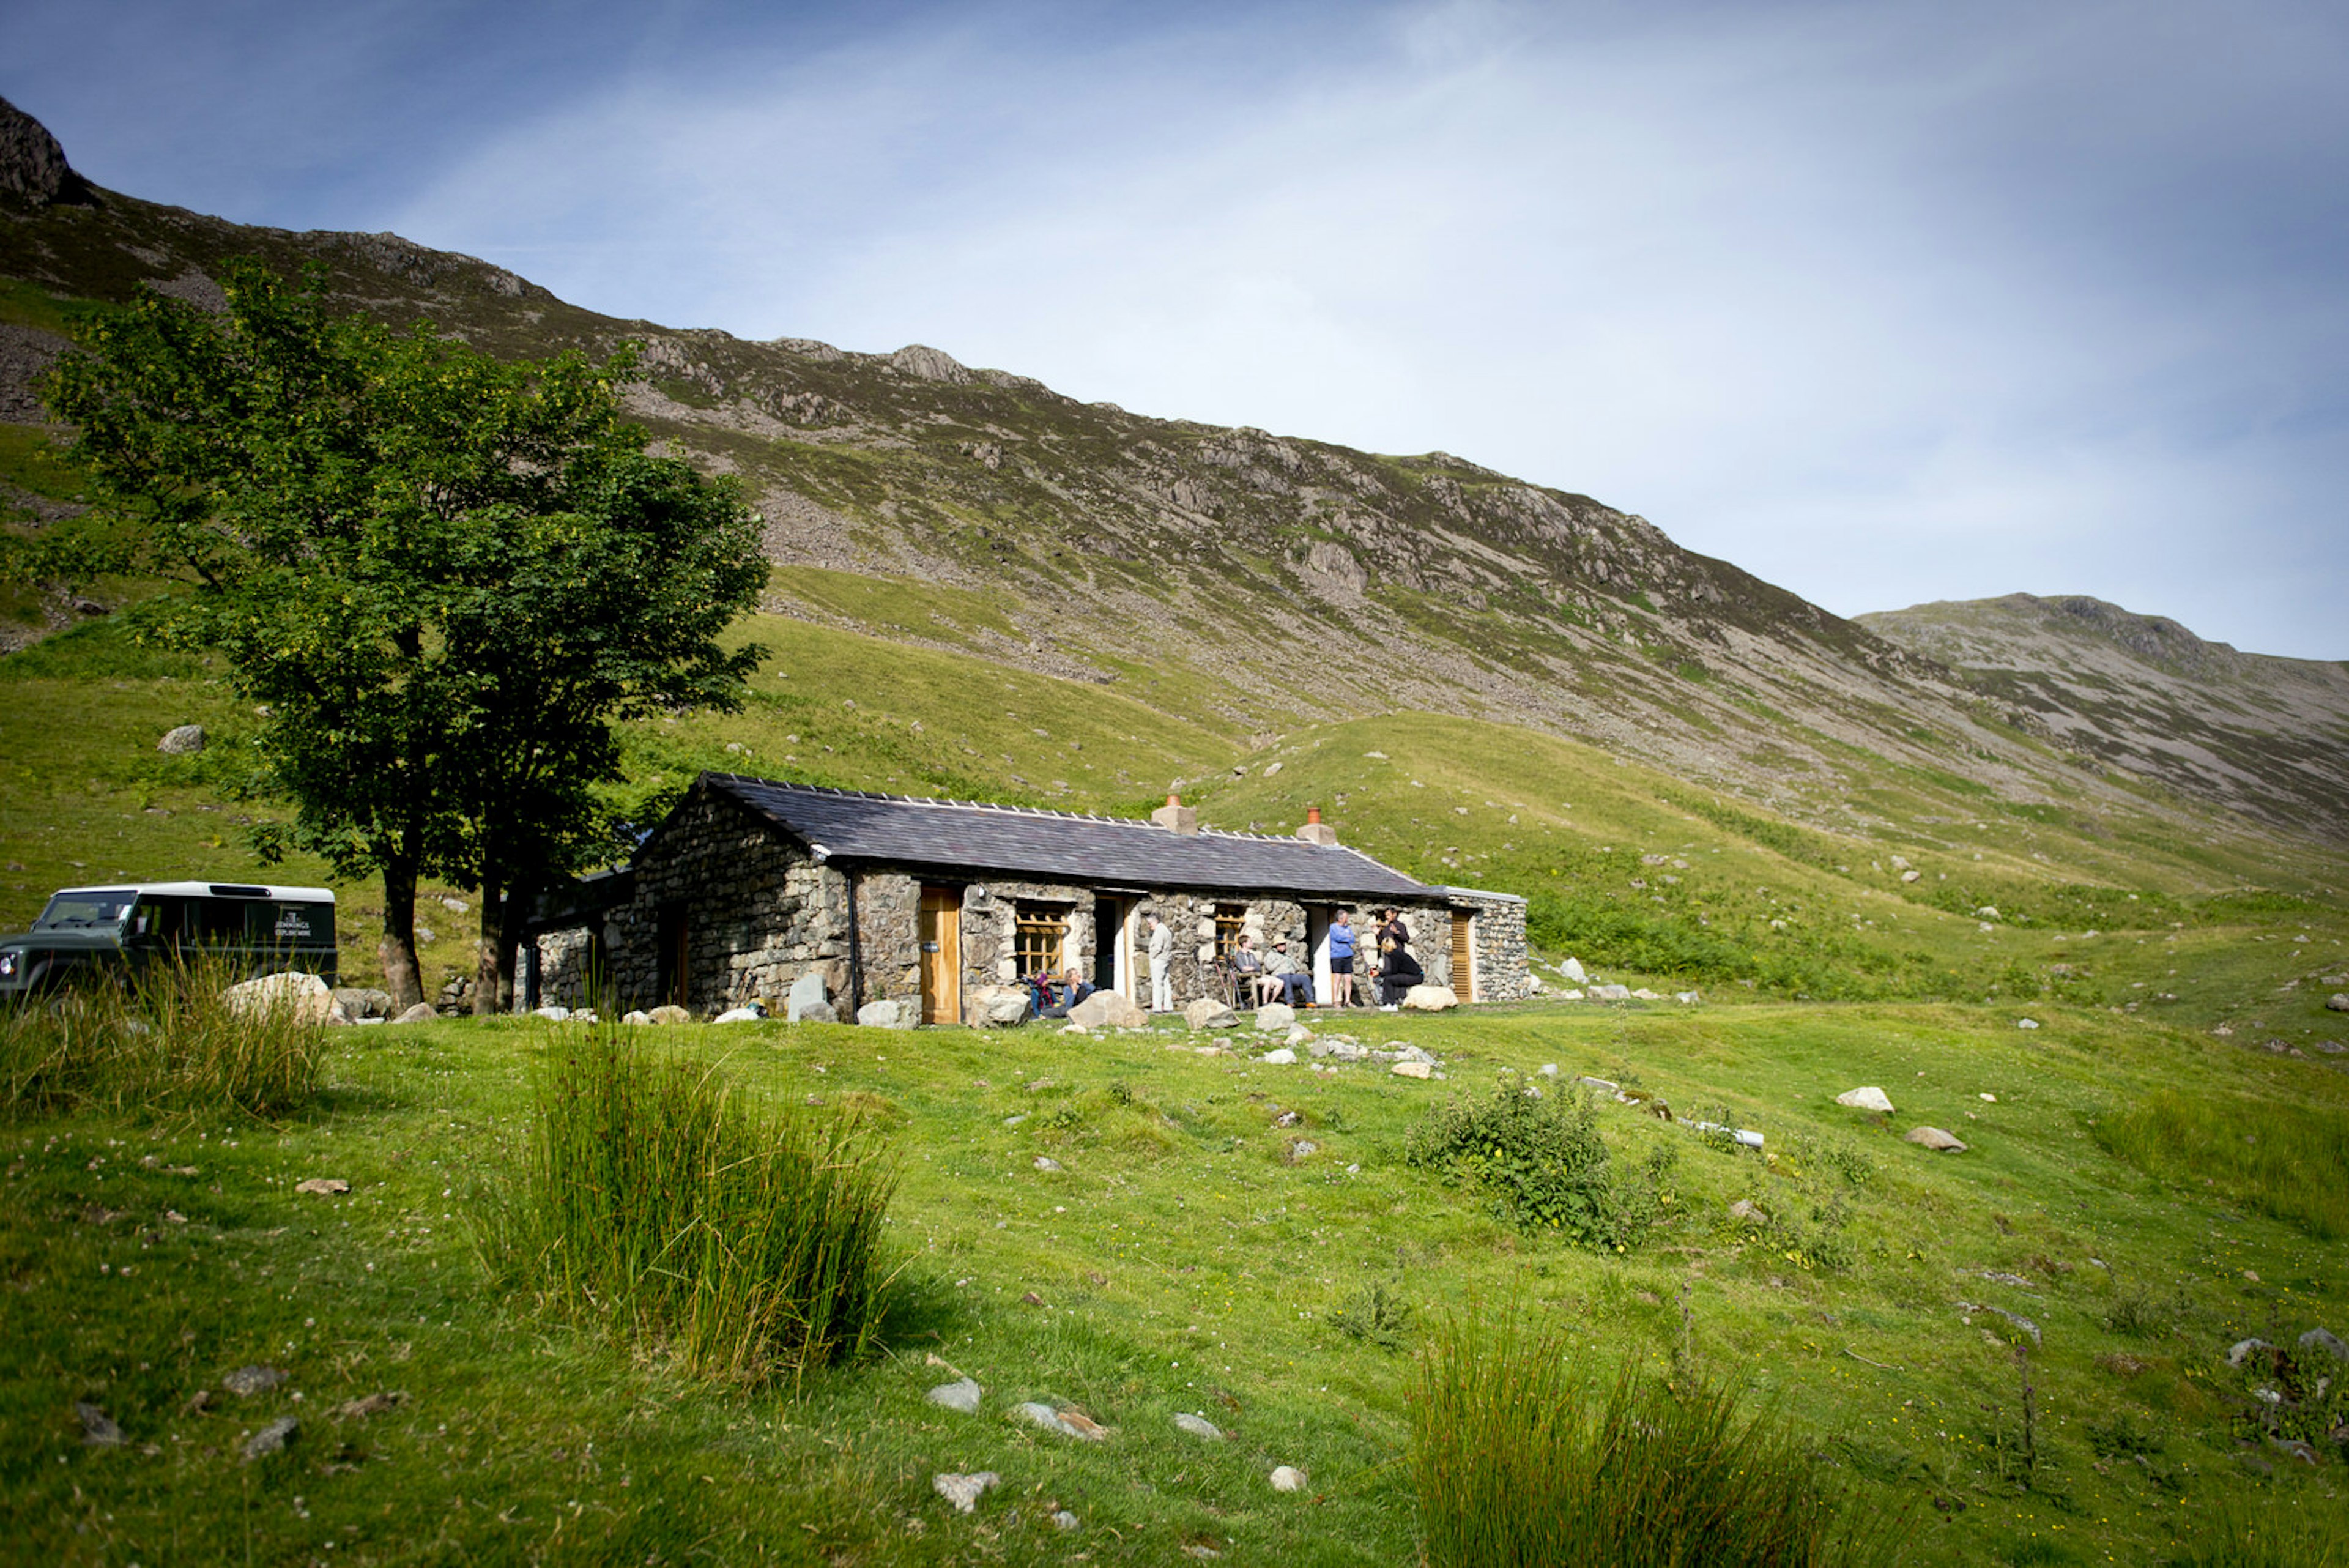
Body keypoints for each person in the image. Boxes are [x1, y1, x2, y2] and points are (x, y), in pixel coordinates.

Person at [1375, 907, 1421, 1009]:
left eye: (1389, 915)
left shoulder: (1400, 925)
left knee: (1398, 975)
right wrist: (1378, 934)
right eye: (1386, 916)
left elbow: (1406, 938)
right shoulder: (1386, 928)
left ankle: (1400, 997)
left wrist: (1397, 933)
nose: (1387, 917)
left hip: (1398, 954)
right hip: (1388, 955)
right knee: (1390, 974)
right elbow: (1383, 941)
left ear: (1394, 914)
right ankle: (1390, 1000)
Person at [1264, 937, 1312, 1007]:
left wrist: (1293, 961)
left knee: (1305, 978)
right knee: (1286, 978)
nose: (1283, 946)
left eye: (1284, 944)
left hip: (1291, 974)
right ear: (1276, 946)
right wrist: (1281, 961)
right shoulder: (1271, 955)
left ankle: (1310, 1001)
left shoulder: (1288, 955)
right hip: (1278, 975)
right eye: (1281, 945)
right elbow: (1270, 967)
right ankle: (1290, 1002)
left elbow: (1297, 967)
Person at [1327, 909, 1359, 1009]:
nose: (1347, 919)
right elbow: (1338, 937)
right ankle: (1336, 1000)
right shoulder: (1333, 927)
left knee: (1348, 979)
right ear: (1341, 918)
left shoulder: (1348, 928)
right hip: (1337, 956)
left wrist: (1347, 937)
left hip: (1347, 955)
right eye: (1346, 917)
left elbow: (1352, 939)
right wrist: (1346, 937)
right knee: (1337, 978)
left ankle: (1348, 1001)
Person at [1230, 934, 1272, 1006]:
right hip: (1245, 979)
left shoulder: (1251, 955)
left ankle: (1270, 1002)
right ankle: (1265, 1003)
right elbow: (1243, 969)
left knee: (1274, 982)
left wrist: (1251, 968)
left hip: (1256, 977)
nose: (1252, 943)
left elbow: (1258, 967)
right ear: (1244, 944)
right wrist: (1252, 968)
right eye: (1250, 942)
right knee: (1267, 982)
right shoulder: (1238, 956)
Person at [1145, 910, 1173, 1012]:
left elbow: (1158, 947)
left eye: (1150, 924)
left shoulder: (1159, 931)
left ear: (1155, 921)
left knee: (1157, 984)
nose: (1149, 926)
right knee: (1166, 983)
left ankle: (1157, 1007)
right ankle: (1168, 1006)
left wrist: (1151, 957)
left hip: (1159, 959)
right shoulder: (1166, 930)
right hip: (1166, 958)